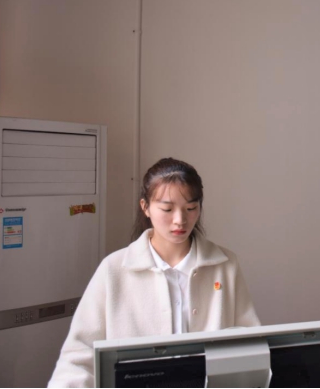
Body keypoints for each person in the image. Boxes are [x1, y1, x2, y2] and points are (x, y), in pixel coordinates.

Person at [48, 158, 260, 387]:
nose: (180, 220)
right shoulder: (113, 270)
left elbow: (250, 344)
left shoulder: (225, 265)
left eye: (190, 208)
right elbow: (78, 358)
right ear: (145, 207)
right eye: (167, 209)